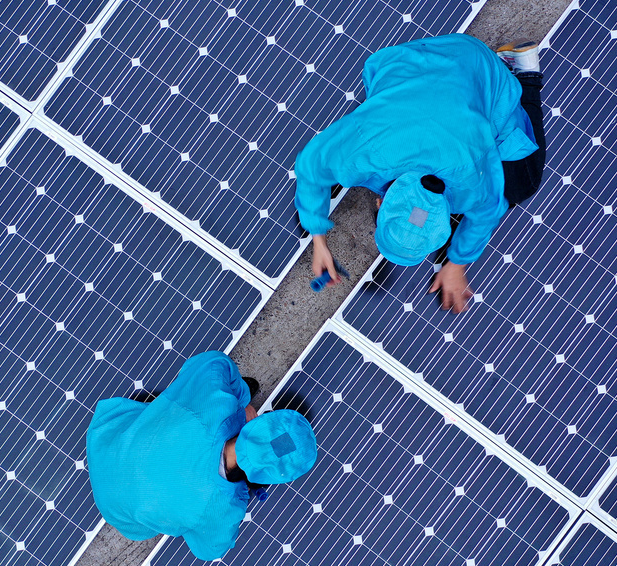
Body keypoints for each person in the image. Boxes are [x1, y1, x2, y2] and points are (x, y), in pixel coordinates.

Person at [294, 34, 546, 313]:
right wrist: (317, 237)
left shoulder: (474, 182)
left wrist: (457, 264)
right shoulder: (365, 153)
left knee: (524, 183)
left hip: (470, 63)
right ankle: (521, 77)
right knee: (516, 179)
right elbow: (310, 165)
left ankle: (525, 71)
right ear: (381, 202)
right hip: (417, 62)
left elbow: (489, 212)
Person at [86, 351, 317, 560]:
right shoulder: (225, 508)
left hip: (106, 440)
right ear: (268, 477)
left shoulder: (214, 404)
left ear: (259, 421)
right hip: (115, 508)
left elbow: (214, 361)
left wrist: (241, 401)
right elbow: (209, 551)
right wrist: (236, 498)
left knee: (172, 408)